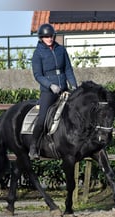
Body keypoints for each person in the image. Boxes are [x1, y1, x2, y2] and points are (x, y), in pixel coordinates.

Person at [29, 23, 78, 160]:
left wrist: (74, 86)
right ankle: (33, 146)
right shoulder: (38, 53)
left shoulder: (61, 50)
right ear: (41, 38)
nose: (49, 38)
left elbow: (68, 70)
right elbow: (38, 75)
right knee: (43, 118)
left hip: (64, 89)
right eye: (46, 36)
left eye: (50, 36)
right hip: (48, 91)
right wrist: (50, 86)